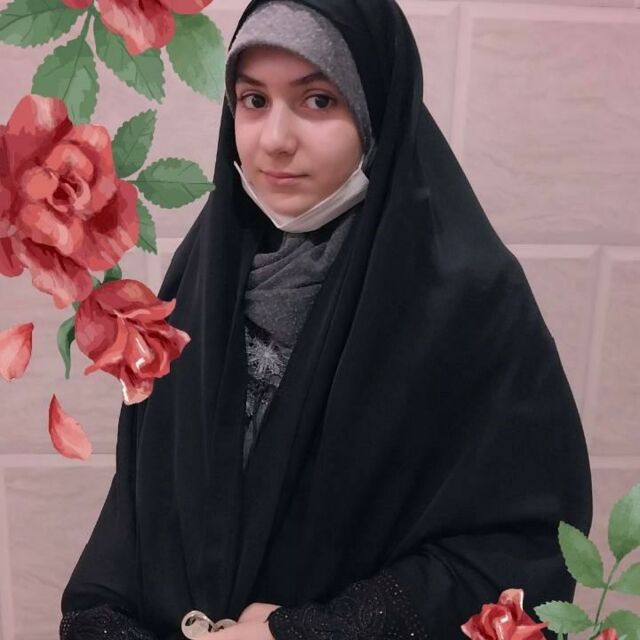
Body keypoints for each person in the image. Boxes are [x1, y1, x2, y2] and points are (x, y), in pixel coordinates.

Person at [58, 0, 593, 639]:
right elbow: (141, 518)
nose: (275, 139)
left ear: (376, 110)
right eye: (254, 100)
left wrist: (312, 631)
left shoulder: (466, 302)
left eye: (318, 101)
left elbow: (519, 551)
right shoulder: (204, 274)